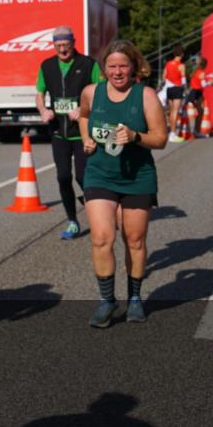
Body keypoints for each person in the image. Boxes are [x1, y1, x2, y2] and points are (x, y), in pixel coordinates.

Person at [78, 40, 167, 328]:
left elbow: (161, 138)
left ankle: (135, 299)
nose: (118, 72)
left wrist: (135, 137)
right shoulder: (92, 93)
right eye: (112, 66)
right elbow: (83, 116)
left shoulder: (146, 96)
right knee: (102, 237)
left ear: (134, 67)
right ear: (104, 68)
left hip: (137, 176)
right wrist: (86, 139)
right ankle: (107, 301)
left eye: (123, 66)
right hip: (99, 174)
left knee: (135, 240)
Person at [35, 25, 103, 239]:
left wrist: (82, 109)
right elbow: (39, 92)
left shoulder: (88, 64)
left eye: (66, 45)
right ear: (53, 45)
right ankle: (72, 220)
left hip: (82, 132)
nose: (62, 49)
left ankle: (99, 212)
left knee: (83, 177)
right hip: (59, 132)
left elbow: (100, 92)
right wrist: (43, 109)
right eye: (58, 46)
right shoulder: (47, 66)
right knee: (63, 177)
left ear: (73, 43)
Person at [181, 56, 212, 137]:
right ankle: (196, 130)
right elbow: (203, 84)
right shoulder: (201, 72)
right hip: (196, 93)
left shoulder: (196, 71)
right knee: (200, 111)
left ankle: (193, 130)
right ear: (205, 65)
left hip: (193, 92)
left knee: (195, 111)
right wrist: (210, 83)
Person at [162, 45, 186, 142]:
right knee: (175, 111)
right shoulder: (181, 65)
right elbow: (184, 80)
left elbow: (164, 77)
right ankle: (172, 134)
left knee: (171, 111)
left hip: (169, 88)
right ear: (182, 54)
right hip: (177, 88)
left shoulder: (168, 64)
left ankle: (171, 133)